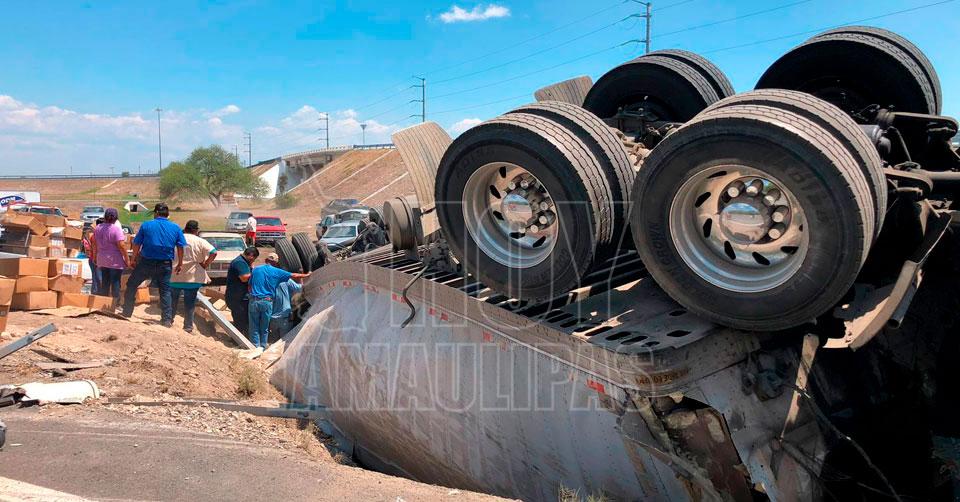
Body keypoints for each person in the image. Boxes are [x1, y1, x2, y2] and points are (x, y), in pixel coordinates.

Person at [122, 203, 187, 327]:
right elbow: (180, 246)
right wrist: (180, 263)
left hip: (146, 262)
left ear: (156, 213)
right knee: (165, 291)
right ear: (167, 214)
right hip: (165, 264)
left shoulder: (146, 225)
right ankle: (166, 320)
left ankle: (126, 312)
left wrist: (133, 259)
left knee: (131, 284)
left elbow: (136, 243)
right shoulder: (175, 227)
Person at [248, 253, 309, 349]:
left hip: (271, 317)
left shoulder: (259, 274)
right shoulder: (286, 280)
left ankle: (257, 348)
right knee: (285, 343)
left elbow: (250, 286)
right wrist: (303, 276)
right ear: (276, 264)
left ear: (265, 260)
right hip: (284, 317)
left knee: (269, 339)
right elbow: (299, 288)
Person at [170, 220, 217, 333]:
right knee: (190, 304)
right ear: (196, 230)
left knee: (172, 301)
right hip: (193, 277)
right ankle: (188, 326)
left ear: (185, 229)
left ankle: (168, 321)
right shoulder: (200, 241)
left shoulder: (176, 239)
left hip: (175, 275)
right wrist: (206, 264)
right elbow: (214, 252)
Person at [90, 208, 129, 303]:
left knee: (105, 282)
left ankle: (104, 302)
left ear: (105, 217)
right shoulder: (116, 229)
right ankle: (115, 303)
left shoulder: (98, 228)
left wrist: (94, 257)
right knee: (115, 282)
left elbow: (94, 243)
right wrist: (127, 259)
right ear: (116, 218)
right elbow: (121, 246)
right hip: (115, 261)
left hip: (102, 259)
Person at [226, 246, 259, 336]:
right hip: (237, 298)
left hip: (239, 296)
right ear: (251, 255)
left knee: (243, 320)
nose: (253, 261)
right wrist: (257, 273)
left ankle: (242, 338)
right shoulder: (240, 262)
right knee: (240, 321)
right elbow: (244, 278)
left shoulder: (243, 262)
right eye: (253, 259)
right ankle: (238, 339)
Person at [82, 225, 101, 294]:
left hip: (93, 259)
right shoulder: (95, 237)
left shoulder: (91, 236)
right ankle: (97, 292)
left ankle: (95, 291)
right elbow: (94, 249)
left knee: (95, 276)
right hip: (95, 259)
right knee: (98, 277)